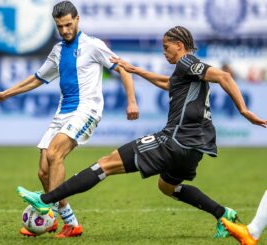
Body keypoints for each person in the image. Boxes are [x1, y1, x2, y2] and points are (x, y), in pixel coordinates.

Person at [17, 26, 267, 238]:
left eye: (166, 48)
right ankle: (223, 214)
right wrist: (135, 70)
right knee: (168, 187)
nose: (163, 52)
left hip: (174, 141)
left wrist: (244, 110)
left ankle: (46, 200)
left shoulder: (188, 61)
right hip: (194, 148)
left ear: (179, 46)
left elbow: (222, 75)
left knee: (105, 164)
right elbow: (168, 83)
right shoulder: (184, 70)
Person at [0, 1, 139, 238]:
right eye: (59, 26)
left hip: (87, 110)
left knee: (55, 154)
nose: (64, 30)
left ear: (77, 20)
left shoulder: (93, 45)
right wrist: (5, 94)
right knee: (44, 172)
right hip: (63, 112)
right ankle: (70, 223)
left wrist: (132, 101)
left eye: (67, 24)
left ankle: (45, 208)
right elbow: (36, 78)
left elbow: (123, 69)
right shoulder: (57, 50)